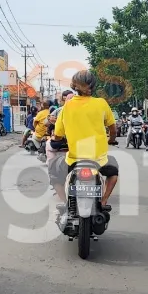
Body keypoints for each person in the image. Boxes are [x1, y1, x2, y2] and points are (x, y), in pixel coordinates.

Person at [52, 70, 119, 208]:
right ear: (93, 85)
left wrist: (57, 138)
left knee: (53, 171)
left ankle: (66, 203)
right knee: (114, 172)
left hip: (74, 160)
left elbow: (58, 135)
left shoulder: (67, 107)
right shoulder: (101, 103)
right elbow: (113, 129)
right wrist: (111, 139)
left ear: (74, 86)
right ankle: (104, 201)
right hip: (99, 160)